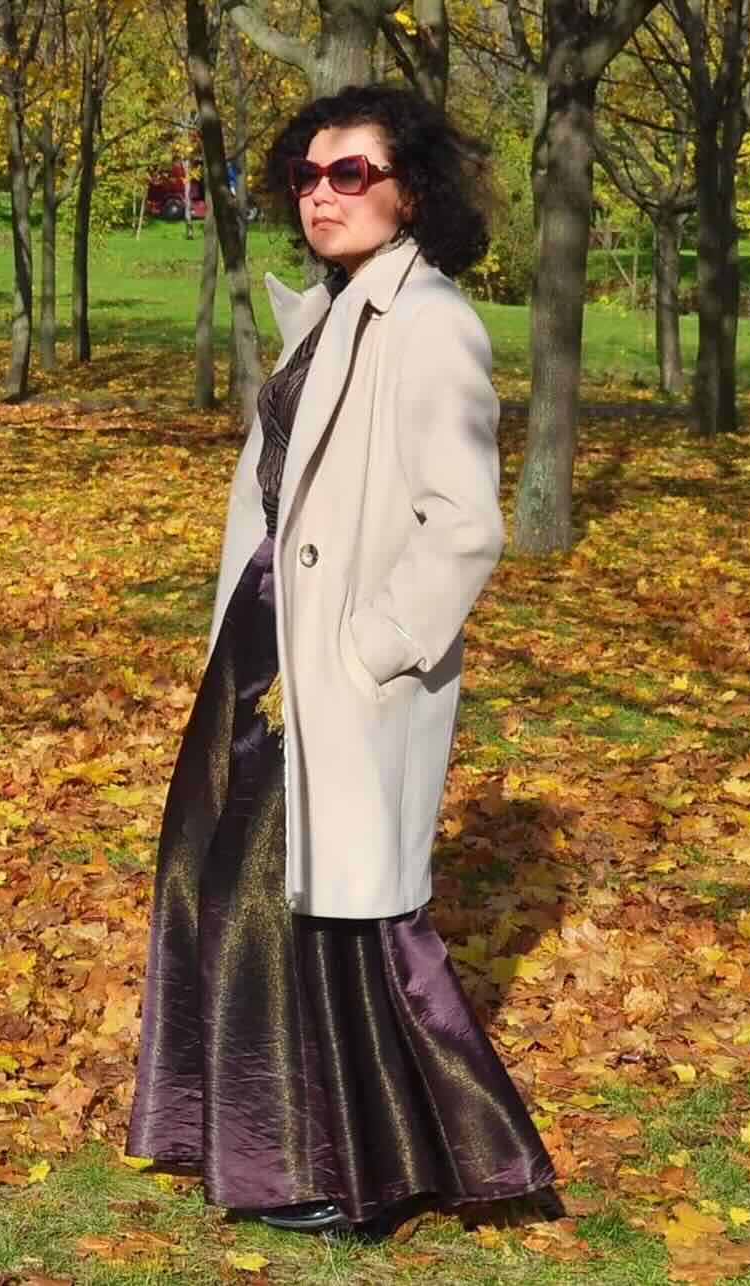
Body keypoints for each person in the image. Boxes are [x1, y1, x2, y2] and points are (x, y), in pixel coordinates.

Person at [126, 83, 556, 1236]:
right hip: (265, 636)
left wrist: (372, 647)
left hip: (338, 657)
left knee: (314, 901)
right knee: (224, 881)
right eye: (308, 176)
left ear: (410, 190)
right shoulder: (327, 308)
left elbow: (462, 524)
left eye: (351, 173)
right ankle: (260, 1141)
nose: (323, 194)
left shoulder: (428, 322)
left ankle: (360, 1166)